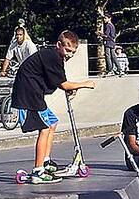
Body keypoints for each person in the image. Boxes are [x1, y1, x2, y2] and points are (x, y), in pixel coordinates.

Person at [11, 30, 95, 184]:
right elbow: (63, 84)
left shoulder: (55, 57)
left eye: (73, 52)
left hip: (34, 94)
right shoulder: (53, 57)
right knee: (44, 128)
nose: (70, 54)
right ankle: (38, 171)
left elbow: (58, 81)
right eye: (68, 50)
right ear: (58, 45)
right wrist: (84, 84)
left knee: (52, 122)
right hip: (28, 96)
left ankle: (46, 160)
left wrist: (70, 88)